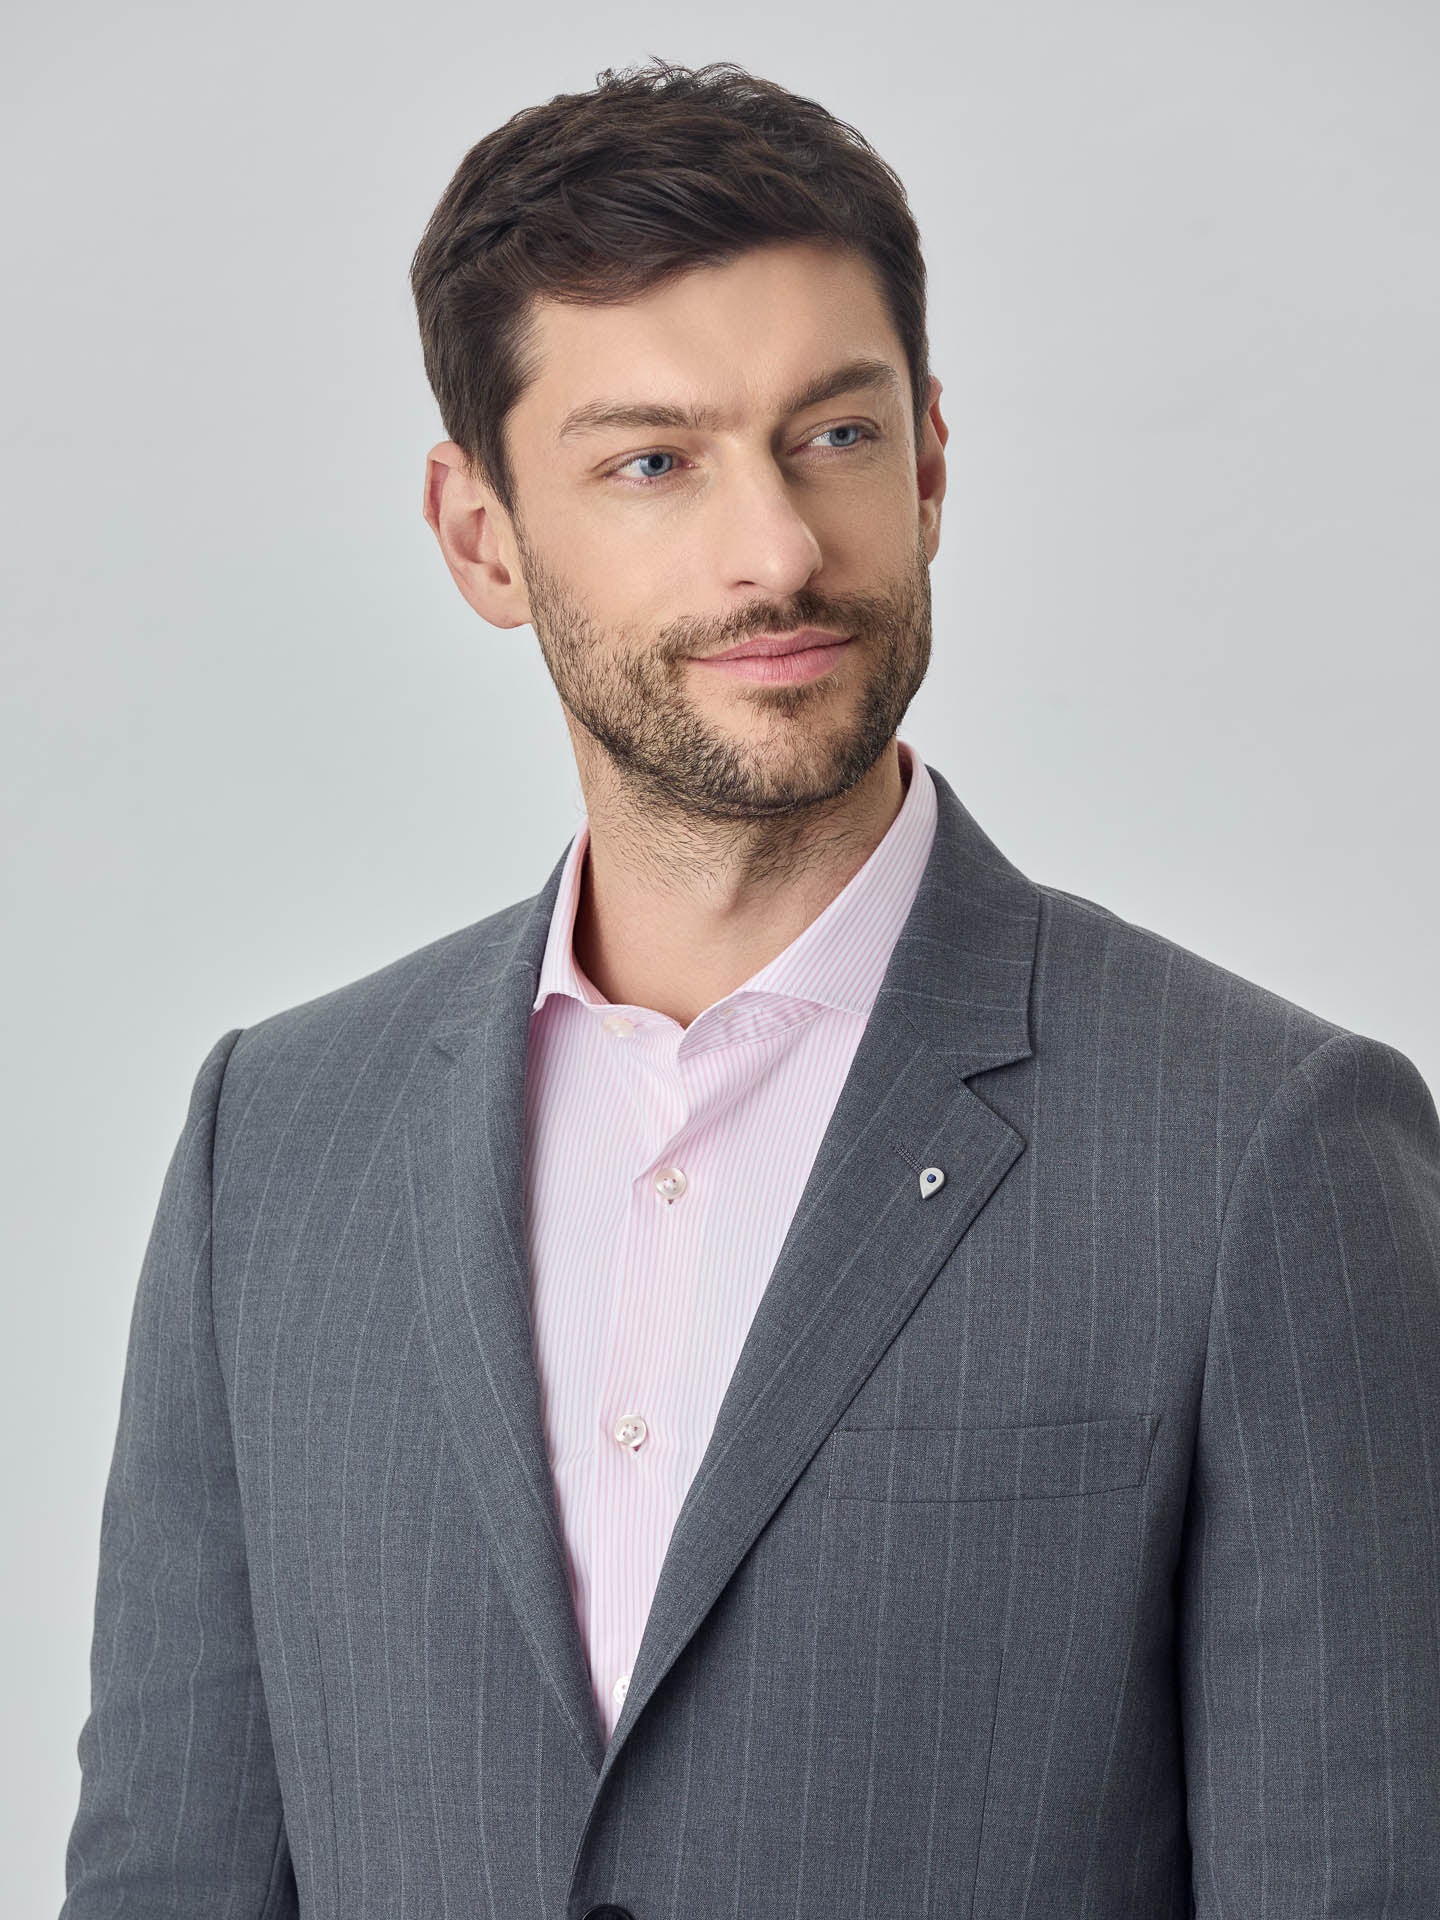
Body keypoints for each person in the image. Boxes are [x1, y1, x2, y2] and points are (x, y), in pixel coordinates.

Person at [60, 56, 1439, 1920]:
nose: (778, 549)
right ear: (481, 536)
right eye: (653, 461)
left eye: (835, 435)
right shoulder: (277, 1145)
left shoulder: (1263, 1147)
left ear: (932, 461)